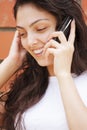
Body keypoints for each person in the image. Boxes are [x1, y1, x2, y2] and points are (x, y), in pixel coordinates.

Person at [3, 0, 87, 130]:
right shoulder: (27, 87)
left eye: (40, 28)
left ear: (66, 27)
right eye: (22, 34)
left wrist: (63, 75)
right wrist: (11, 62)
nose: (30, 42)